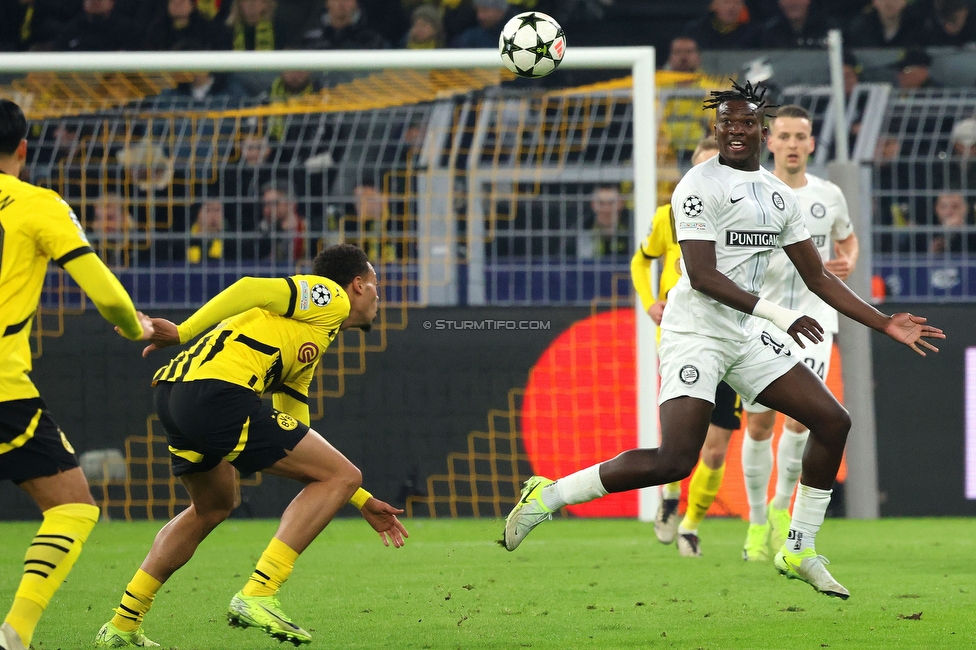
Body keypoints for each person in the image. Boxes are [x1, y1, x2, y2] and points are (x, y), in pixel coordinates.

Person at [503, 81, 944, 601]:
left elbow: (819, 277)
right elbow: (703, 273)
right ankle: (550, 494)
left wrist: (884, 321)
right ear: (718, 129)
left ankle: (798, 549)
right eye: (725, 124)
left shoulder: (778, 196)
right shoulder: (696, 186)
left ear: (762, 131)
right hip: (695, 332)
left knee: (832, 420)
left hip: (746, 331)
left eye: (744, 123)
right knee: (675, 462)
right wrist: (779, 314)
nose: (735, 131)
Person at [94, 244, 409, 647]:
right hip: (218, 393)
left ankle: (122, 623)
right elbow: (250, 287)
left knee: (213, 506)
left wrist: (360, 498)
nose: (378, 297)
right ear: (358, 285)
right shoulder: (328, 296)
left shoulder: (308, 340)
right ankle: (259, 593)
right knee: (343, 474)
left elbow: (300, 437)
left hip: (175, 394)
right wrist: (184, 330)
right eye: (376, 287)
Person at [0, 98, 154, 650]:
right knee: (71, 506)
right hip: (2, 388)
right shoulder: (38, 205)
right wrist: (133, 325)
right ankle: (14, 632)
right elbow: (106, 291)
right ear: (23, 148)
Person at [738, 104, 860, 561]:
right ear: (769, 141)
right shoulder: (749, 193)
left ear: (811, 143)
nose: (792, 145)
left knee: (802, 420)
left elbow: (847, 239)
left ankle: (779, 509)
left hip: (814, 322)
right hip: (763, 322)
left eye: (800, 137)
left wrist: (849, 261)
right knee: (759, 423)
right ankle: (754, 521)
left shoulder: (829, 195)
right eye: (784, 136)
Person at [633, 135, 742, 558]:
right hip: (682, 340)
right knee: (680, 439)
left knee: (714, 452)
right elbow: (642, 259)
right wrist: (649, 303)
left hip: (731, 340)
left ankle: (691, 526)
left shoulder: (742, 220)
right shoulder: (670, 216)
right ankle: (670, 498)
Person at [577, 184, 631, 260]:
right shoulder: (581, 231)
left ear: (621, 204)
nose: (606, 209)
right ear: (593, 205)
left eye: (611, 203)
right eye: (601, 203)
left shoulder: (633, 230)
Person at [682, 0, 760, 50]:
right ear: (713, 6)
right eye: (726, 2)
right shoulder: (695, 31)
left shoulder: (754, 34)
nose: (732, 7)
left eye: (737, 3)